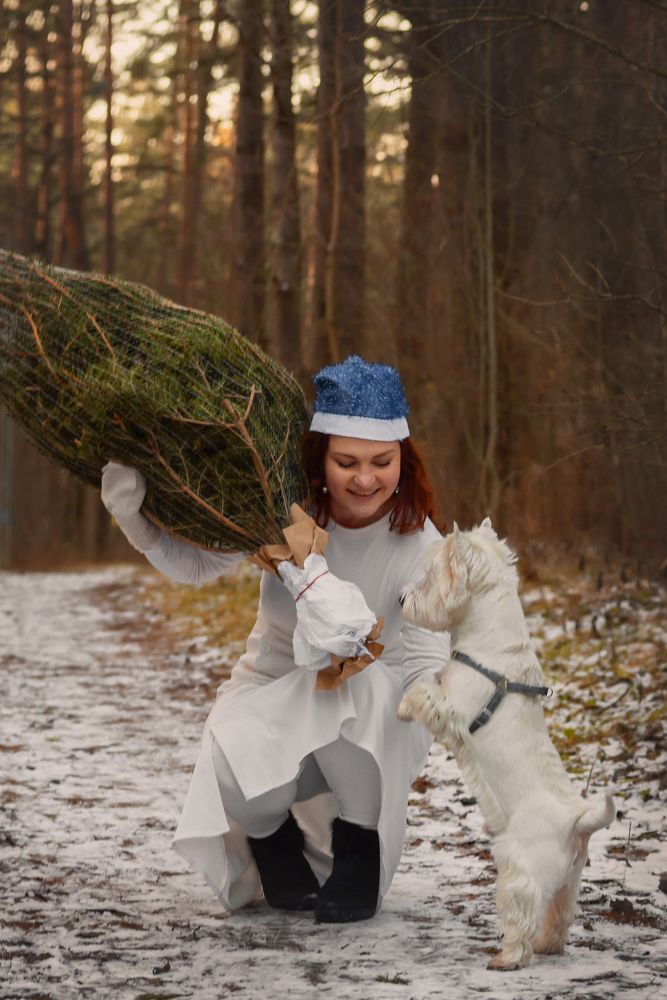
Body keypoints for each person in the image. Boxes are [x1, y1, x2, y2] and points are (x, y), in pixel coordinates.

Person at [101, 355, 450, 923]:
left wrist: (431, 713)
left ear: (402, 461)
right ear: (321, 459)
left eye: (381, 462)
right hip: (274, 689)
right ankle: (272, 840)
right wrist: (135, 520)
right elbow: (195, 568)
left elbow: (428, 658)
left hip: (371, 725)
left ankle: (358, 847)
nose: (365, 480)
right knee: (230, 758)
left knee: (347, 676)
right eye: (347, 462)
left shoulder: (419, 545)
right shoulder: (284, 514)